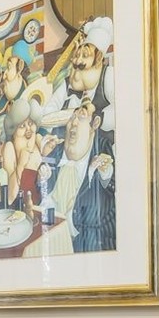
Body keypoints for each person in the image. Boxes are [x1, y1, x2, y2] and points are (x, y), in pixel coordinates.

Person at [38, 97, 115, 255]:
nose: (73, 123)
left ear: (94, 124)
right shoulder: (58, 151)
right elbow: (41, 185)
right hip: (53, 236)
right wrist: (42, 178)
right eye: (71, 118)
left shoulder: (101, 148)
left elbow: (105, 196)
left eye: (80, 117)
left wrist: (103, 172)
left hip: (89, 239)